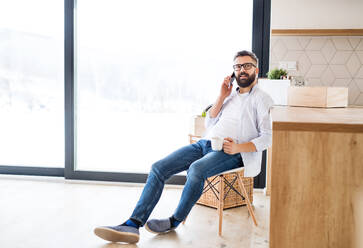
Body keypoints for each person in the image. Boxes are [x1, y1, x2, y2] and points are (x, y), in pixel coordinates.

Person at [94, 50, 274, 243]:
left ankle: (174, 221)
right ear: (233, 72)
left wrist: (239, 148)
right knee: (158, 168)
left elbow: (268, 137)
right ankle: (132, 225)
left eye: (247, 66)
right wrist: (221, 96)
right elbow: (209, 123)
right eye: (237, 67)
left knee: (196, 170)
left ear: (256, 69)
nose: (242, 70)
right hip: (206, 143)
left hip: (231, 152)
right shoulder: (230, 95)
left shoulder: (262, 99)